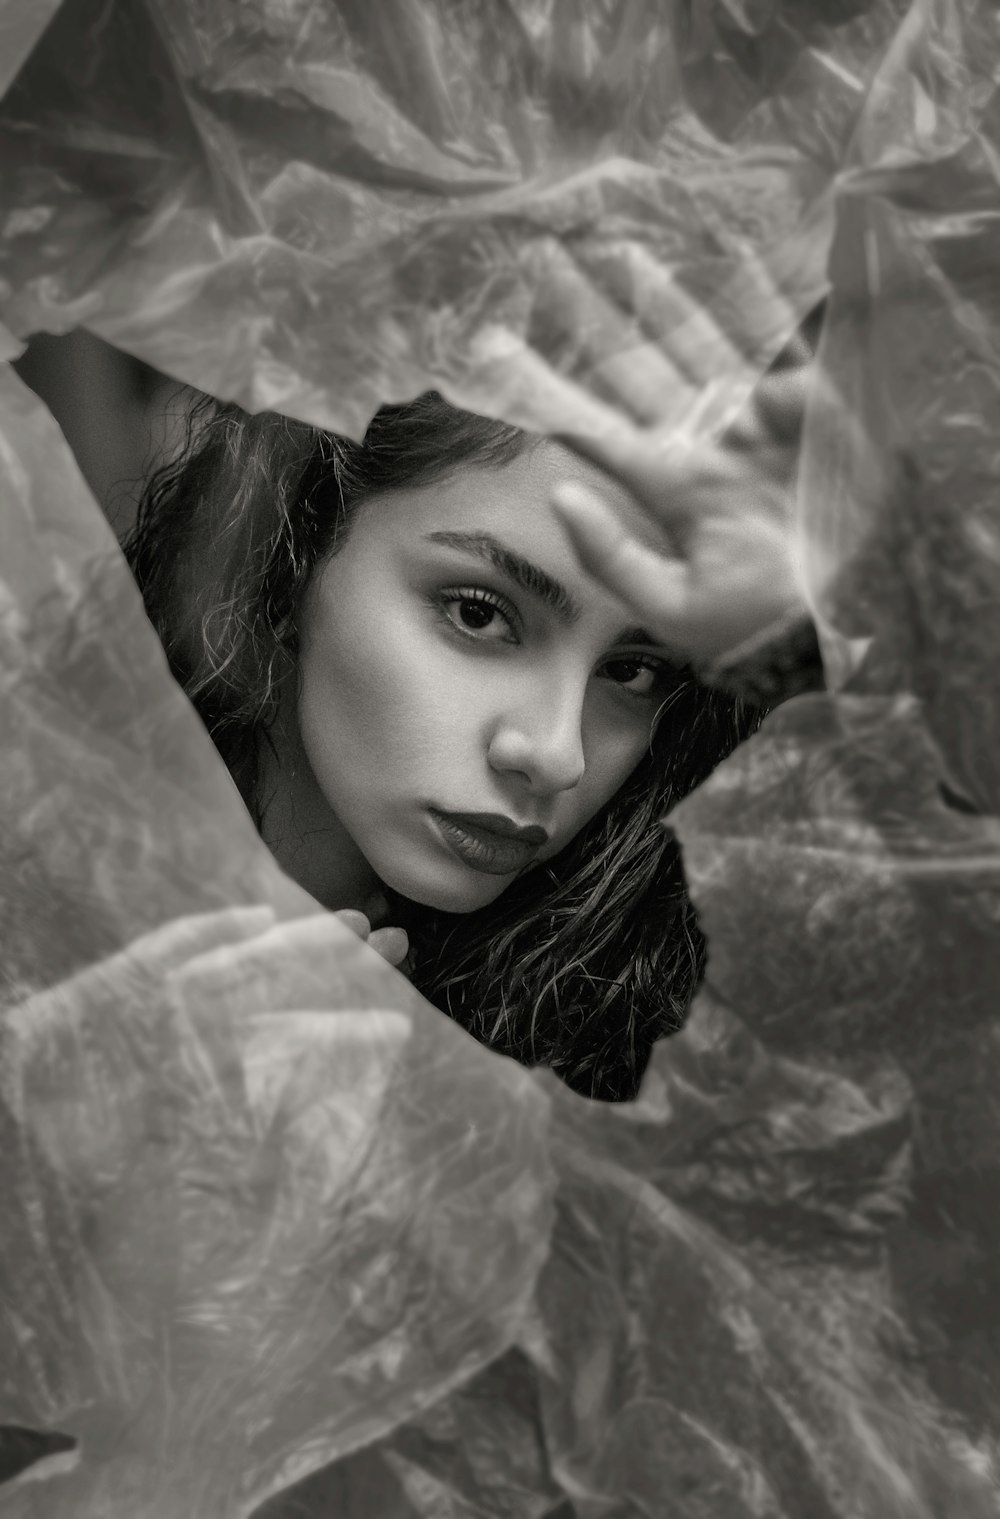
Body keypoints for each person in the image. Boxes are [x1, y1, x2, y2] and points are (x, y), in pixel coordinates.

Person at [125, 315, 824, 1103]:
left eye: (633, 670)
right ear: (295, 540)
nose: (558, 753)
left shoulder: (625, 1052)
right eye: (479, 614)